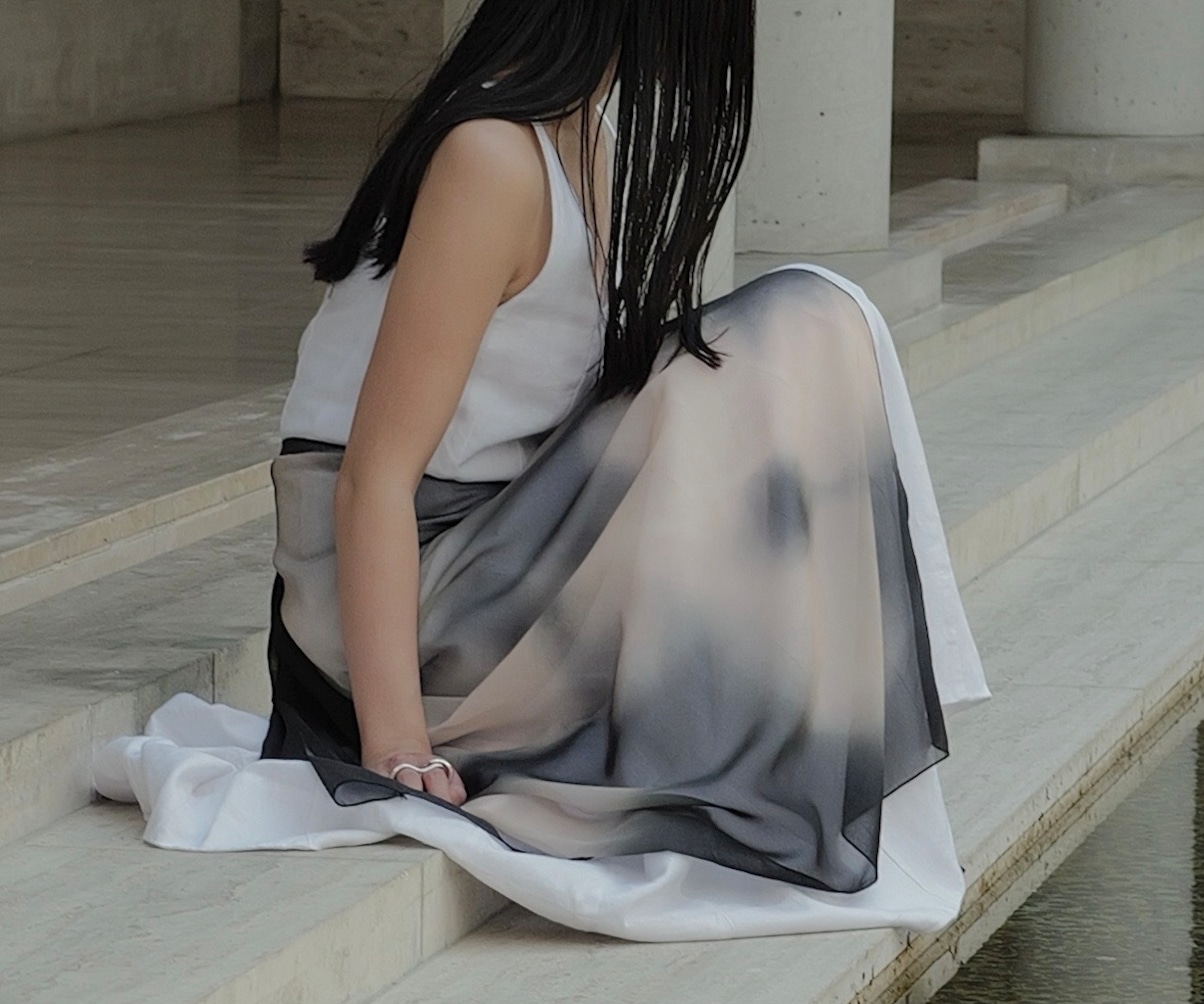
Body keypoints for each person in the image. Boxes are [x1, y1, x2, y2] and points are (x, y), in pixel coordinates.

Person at [95, 0, 988, 943]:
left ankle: (807, 738)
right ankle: (801, 741)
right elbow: (372, 478)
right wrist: (395, 745)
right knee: (802, 319)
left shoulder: (581, 140)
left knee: (793, 339)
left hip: (494, 555)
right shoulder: (491, 155)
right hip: (403, 605)